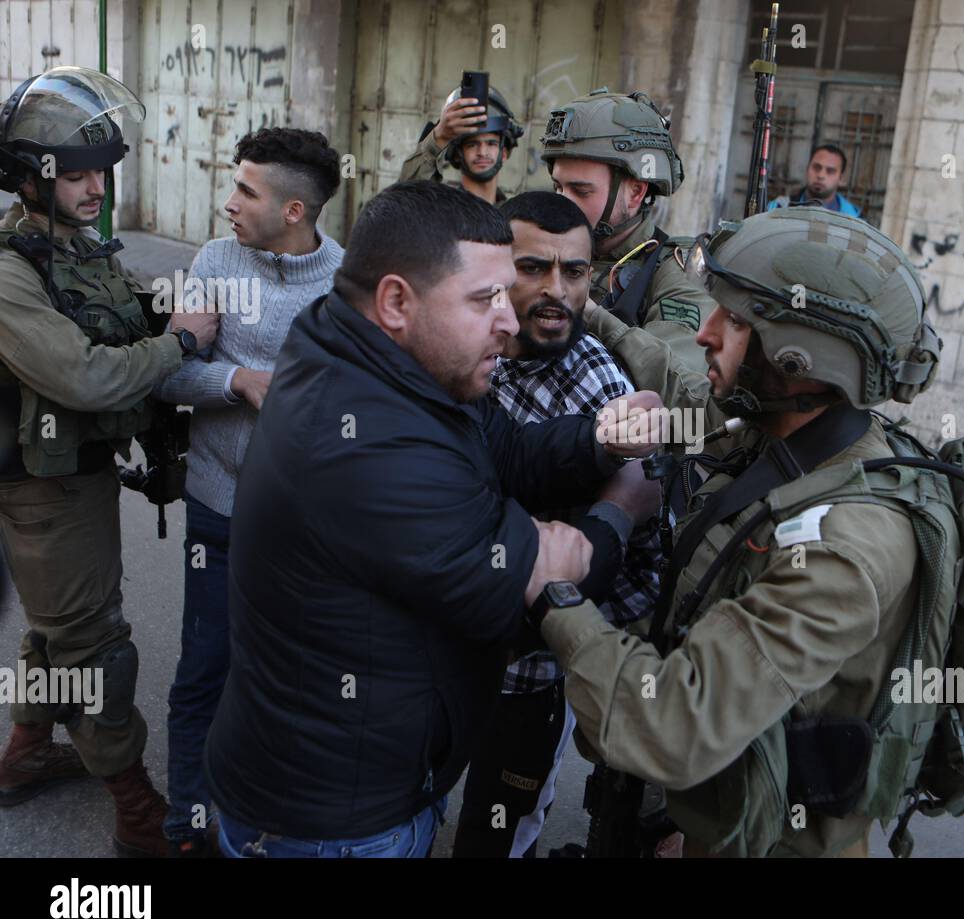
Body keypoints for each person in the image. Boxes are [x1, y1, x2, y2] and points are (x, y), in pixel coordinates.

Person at [202, 181, 662, 858]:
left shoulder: (373, 353)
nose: (511, 321)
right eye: (485, 300)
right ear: (395, 301)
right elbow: (526, 590)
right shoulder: (373, 444)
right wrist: (620, 507)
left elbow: (508, 448)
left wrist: (602, 440)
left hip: (351, 778)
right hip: (336, 826)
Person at [529, 206, 943, 857]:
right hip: (723, 820)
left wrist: (557, 595)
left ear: (801, 356)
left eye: (737, 321)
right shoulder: (778, 431)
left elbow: (675, 725)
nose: (706, 332)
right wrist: (587, 315)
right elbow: (678, 386)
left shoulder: (843, 548)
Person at [0, 66, 218, 856]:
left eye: (103, 172)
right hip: (42, 489)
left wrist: (180, 303)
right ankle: (134, 803)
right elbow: (86, 375)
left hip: (74, 476)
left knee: (56, 627)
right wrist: (183, 341)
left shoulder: (71, 244)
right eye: (78, 174)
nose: (96, 188)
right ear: (31, 177)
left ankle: (25, 754)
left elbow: (125, 302)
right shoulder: (10, 269)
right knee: (96, 645)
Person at [451, 190, 661, 858]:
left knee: (492, 834)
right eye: (534, 267)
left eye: (574, 272)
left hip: (530, 676)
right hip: (441, 648)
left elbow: (632, 566)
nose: (555, 289)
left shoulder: (606, 393)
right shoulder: (464, 351)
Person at [153, 127, 344, 857]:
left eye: (246, 191)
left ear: (295, 210)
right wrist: (238, 380)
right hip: (217, 509)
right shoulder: (212, 261)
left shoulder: (347, 282)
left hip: (306, 527)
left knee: (296, 680)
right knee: (205, 671)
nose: (228, 202)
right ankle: (189, 827)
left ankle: (278, 823)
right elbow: (168, 373)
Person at [541, 89, 714, 371]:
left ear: (635, 192)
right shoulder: (540, 249)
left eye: (580, 191)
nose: (561, 203)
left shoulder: (673, 272)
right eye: (558, 187)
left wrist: (592, 317)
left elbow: (679, 384)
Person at [399, 84, 522, 206]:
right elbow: (404, 200)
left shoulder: (514, 218)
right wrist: (439, 137)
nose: (482, 152)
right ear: (457, 154)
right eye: (472, 144)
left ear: (504, 153)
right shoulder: (439, 211)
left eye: (491, 143)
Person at [768, 144, 860, 219]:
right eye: (816, 167)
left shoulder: (854, 219)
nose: (821, 175)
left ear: (841, 178)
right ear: (807, 168)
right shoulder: (779, 208)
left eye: (830, 171)